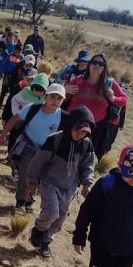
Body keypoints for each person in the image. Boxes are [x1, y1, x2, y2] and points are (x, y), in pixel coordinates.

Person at [26, 106, 95, 258]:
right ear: (70, 125)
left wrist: (86, 183)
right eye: (78, 129)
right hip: (50, 182)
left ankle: (45, 242)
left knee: (61, 217)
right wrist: (32, 181)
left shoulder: (86, 144)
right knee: (51, 212)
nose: (80, 134)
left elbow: (88, 165)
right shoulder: (55, 139)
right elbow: (38, 162)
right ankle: (38, 230)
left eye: (84, 132)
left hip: (70, 187)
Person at [0, 82, 61, 213]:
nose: (55, 100)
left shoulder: (63, 116)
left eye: (59, 98)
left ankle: (29, 201)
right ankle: (21, 201)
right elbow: (14, 119)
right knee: (26, 174)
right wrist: (3, 135)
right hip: (28, 145)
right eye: (52, 96)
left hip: (46, 151)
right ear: (46, 96)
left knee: (38, 176)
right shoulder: (33, 108)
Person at [65, 53, 128, 160]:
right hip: (72, 123)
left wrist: (113, 98)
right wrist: (64, 90)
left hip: (95, 128)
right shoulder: (78, 80)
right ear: (89, 64)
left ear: (104, 67)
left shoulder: (109, 83)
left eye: (101, 64)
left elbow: (124, 100)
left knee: (84, 158)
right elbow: (62, 98)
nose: (97, 65)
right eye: (94, 62)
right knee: (65, 152)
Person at [0, 43, 23, 107]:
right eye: (16, 51)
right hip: (7, 75)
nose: (17, 53)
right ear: (14, 50)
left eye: (19, 52)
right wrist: (1, 73)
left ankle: (9, 104)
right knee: (3, 90)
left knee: (12, 92)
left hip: (15, 78)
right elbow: (4, 64)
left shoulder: (22, 58)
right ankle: (0, 103)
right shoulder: (10, 56)